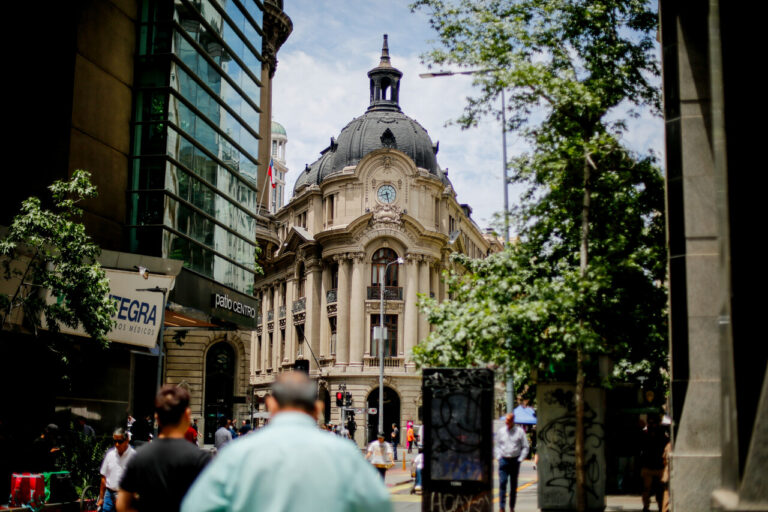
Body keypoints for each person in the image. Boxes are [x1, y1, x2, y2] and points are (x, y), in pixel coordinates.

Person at [181, 372, 391, 512]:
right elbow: (378, 505)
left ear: (271, 405)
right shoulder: (346, 456)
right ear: (317, 409)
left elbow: (196, 507)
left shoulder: (237, 455)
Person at [117, 385, 211, 512]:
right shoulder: (201, 459)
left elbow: (122, 504)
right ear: (187, 414)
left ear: (157, 418)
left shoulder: (139, 456)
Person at [495, 412, 529, 512]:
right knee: (502, 483)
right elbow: (497, 446)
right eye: (506, 420)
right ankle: (502, 507)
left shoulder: (519, 432)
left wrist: (520, 459)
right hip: (504, 460)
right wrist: (498, 457)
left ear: (513, 421)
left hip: (515, 460)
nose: (506, 422)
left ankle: (512, 507)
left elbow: (525, 447)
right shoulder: (501, 431)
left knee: (513, 486)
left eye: (508, 420)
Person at [98, 428, 134, 512]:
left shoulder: (134, 456)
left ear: (127, 440)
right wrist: (101, 498)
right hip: (109, 495)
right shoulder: (110, 455)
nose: (117, 444)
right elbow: (103, 477)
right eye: (115, 441)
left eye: (120, 441)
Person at [639, 414, 669, 512]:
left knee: (656, 489)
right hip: (652, 465)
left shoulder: (658, 432)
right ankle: (650, 506)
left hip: (655, 465)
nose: (652, 425)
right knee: (651, 489)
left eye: (654, 423)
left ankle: (656, 506)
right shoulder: (649, 432)